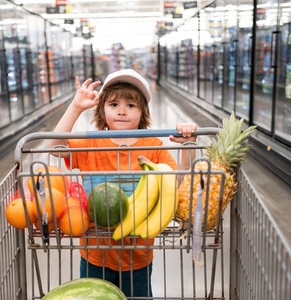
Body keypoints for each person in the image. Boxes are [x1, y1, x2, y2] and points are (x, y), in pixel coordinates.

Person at [49, 69, 197, 299]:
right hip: (95, 252)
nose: (121, 111)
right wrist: (76, 107)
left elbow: (177, 185)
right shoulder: (91, 143)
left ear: (142, 112)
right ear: (101, 109)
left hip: (137, 252)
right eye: (114, 104)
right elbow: (54, 147)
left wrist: (188, 146)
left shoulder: (153, 145)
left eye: (131, 105)